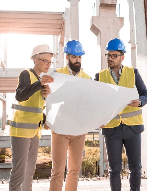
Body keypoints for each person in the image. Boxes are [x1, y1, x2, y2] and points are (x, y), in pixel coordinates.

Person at [95, 38, 147, 191]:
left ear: (122, 57)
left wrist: (139, 102)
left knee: (135, 168)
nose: (110, 59)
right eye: (108, 56)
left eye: (114, 56)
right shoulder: (100, 76)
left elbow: (146, 94)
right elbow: (95, 102)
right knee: (114, 170)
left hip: (133, 128)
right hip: (112, 128)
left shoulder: (133, 73)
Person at [8, 44, 55, 191]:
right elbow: (20, 95)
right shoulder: (26, 74)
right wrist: (39, 84)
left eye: (50, 61)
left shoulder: (40, 80)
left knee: (29, 173)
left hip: (35, 132)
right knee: (19, 173)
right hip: (21, 131)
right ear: (35, 59)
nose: (48, 64)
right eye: (45, 61)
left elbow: (36, 107)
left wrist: (45, 95)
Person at [47, 40, 91, 191]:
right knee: (57, 171)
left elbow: (90, 104)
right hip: (60, 129)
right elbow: (48, 99)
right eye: (74, 57)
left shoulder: (87, 78)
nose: (77, 60)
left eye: (79, 57)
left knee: (74, 171)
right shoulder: (57, 75)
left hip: (79, 130)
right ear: (67, 57)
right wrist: (47, 118)